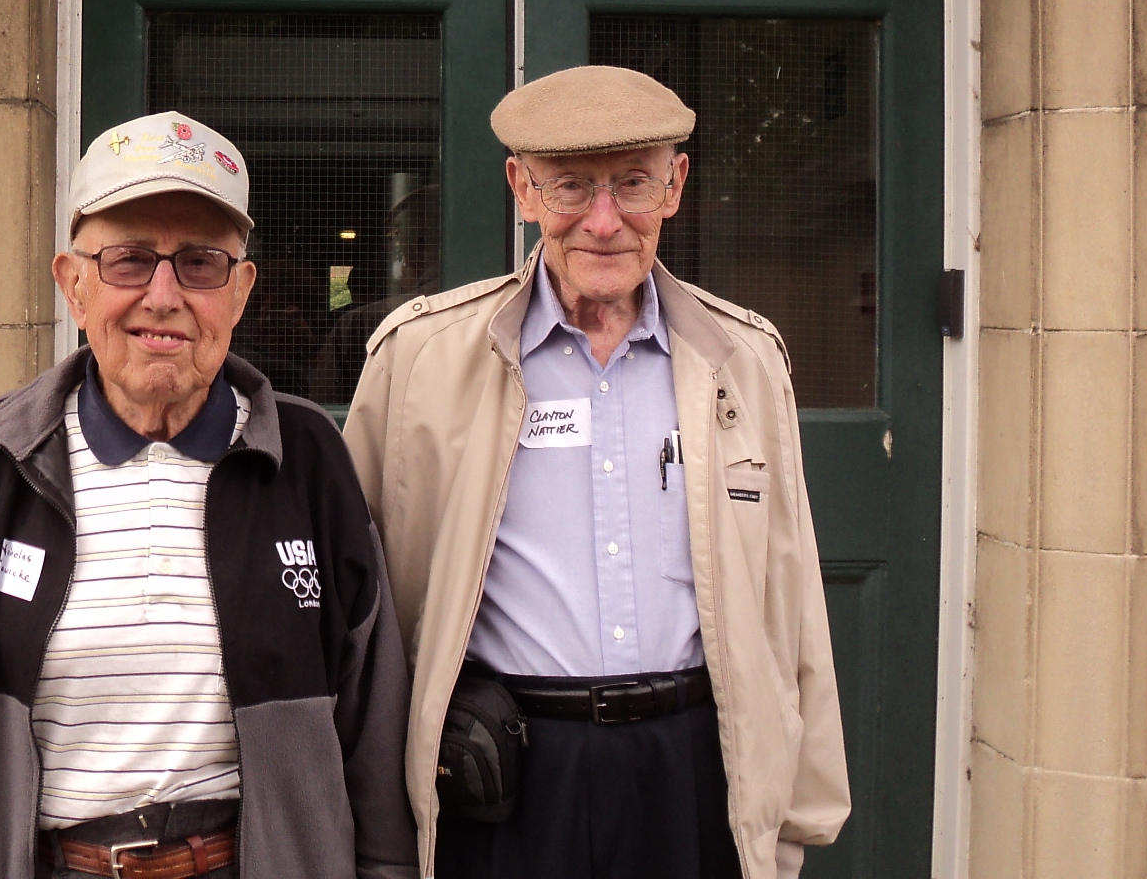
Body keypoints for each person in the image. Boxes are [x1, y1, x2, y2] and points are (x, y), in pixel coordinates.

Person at [0, 112, 418, 879]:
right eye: (130, 260)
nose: (164, 295)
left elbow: (375, 750)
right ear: (73, 285)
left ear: (240, 292)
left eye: (201, 263)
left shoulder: (305, 462)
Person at [342, 66, 850, 879]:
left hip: (692, 768)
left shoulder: (745, 360)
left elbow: (791, 601)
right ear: (522, 188)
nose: (604, 222)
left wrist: (798, 820)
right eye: (572, 186)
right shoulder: (420, 359)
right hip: (504, 776)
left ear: (675, 185)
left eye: (633, 184)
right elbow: (359, 614)